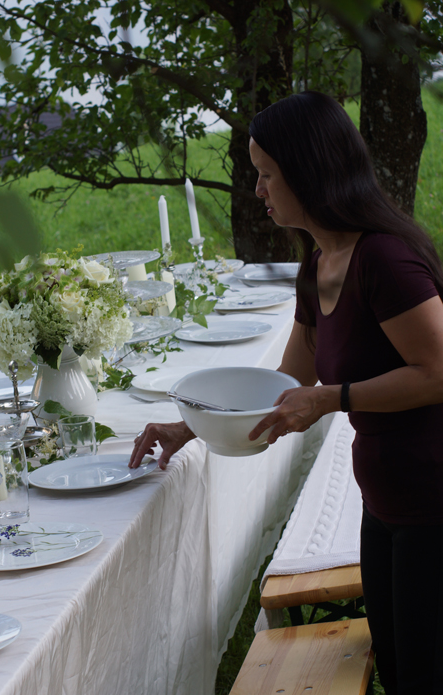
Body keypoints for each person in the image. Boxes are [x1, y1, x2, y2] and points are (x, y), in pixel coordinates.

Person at [129, 91, 443, 695]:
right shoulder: (319, 264)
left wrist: (330, 400)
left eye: (267, 174)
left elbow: (436, 372)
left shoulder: (384, 259)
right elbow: (288, 384)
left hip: (431, 501)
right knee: (401, 670)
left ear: (308, 171)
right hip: (385, 502)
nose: (257, 189)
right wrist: (190, 426)